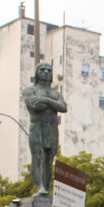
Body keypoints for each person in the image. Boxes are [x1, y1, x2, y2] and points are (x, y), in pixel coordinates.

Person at [22, 61, 68, 195]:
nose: (46, 72)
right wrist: (53, 105)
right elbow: (35, 106)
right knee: (37, 157)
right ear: (37, 73)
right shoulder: (30, 90)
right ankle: (39, 187)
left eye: (49, 70)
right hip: (37, 126)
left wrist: (46, 101)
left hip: (52, 127)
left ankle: (46, 189)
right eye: (42, 69)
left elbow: (63, 107)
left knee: (48, 159)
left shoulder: (56, 94)